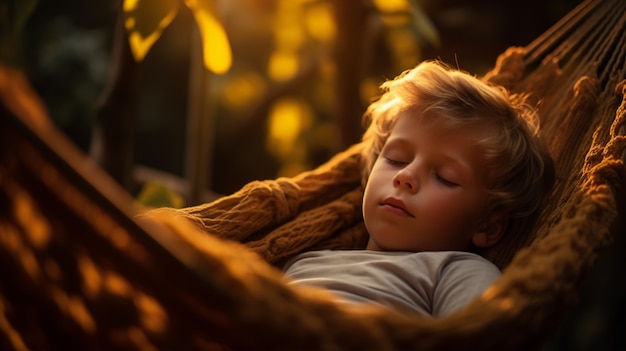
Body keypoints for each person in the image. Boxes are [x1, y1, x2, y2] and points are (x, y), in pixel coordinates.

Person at [283, 60, 554, 317]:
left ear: (487, 227)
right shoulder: (306, 262)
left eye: (445, 177)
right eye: (396, 159)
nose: (405, 175)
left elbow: (475, 336)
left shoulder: (457, 272)